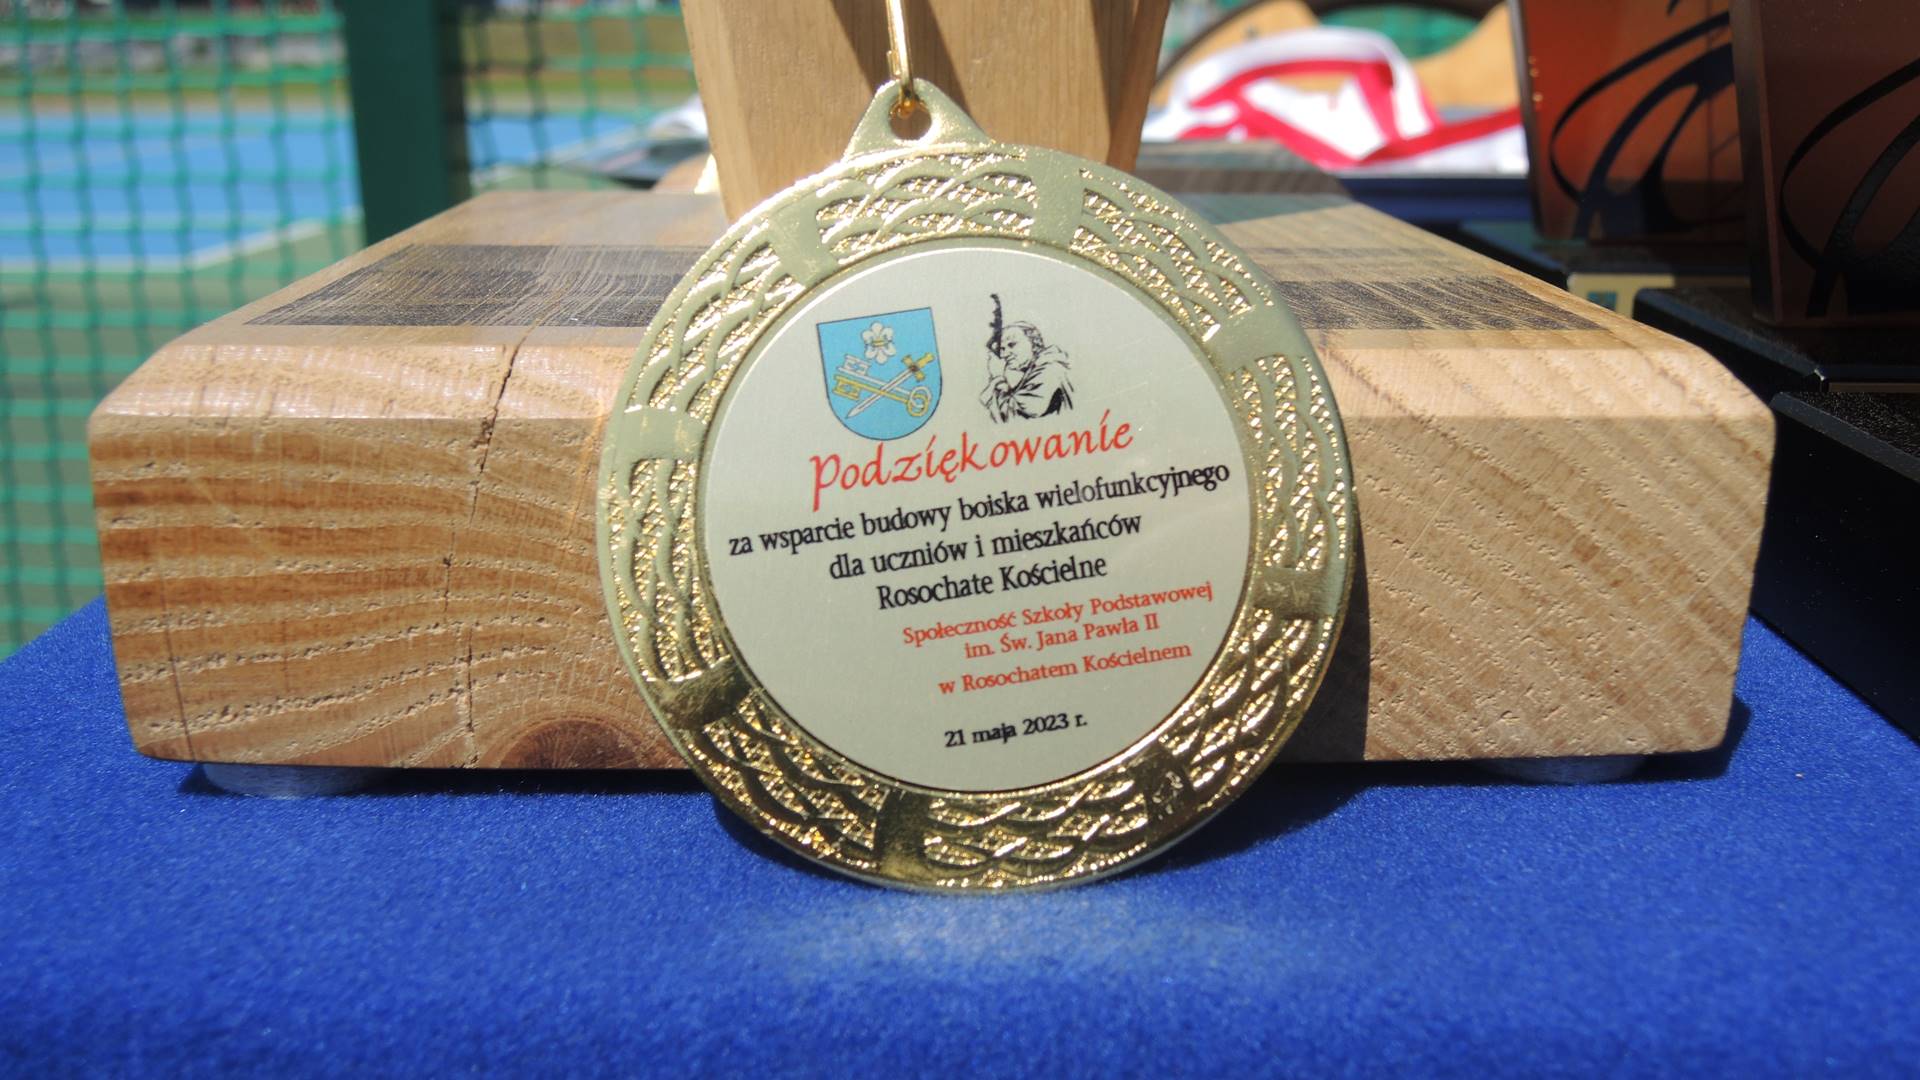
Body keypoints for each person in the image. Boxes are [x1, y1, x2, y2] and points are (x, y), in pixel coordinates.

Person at [979, 294, 1074, 422]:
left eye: (1012, 345)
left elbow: (1014, 418)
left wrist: (998, 378)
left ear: (1034, 343)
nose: (1004, 355)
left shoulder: (1050, 368)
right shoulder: (1037, 370)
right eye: (1002, 349)